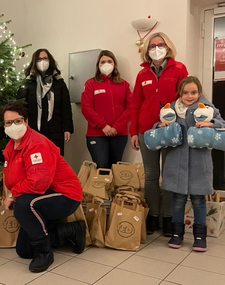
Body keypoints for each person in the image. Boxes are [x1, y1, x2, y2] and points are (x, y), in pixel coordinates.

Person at [1, 102, 85, 273]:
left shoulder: (36, 143)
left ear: (25, 120)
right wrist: (15, 193)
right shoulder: (11, 146)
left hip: (65, 195)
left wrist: (13, 195)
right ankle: (71, 230)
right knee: (24, 251)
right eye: (8, 123)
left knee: (24, 204)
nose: (12, 126)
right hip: (42, 195)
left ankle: (44, 253)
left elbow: (38, 182)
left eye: (17, 121)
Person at [155, 76, 225, 251]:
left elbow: (221, 123)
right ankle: (176, 233)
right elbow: (159, 124)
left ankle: (200, 236)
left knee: (199, 200)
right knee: (178, 200)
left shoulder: (208, 109)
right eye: (185, 92)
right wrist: (160, 125)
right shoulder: (171, 109)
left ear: (199, 92)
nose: (189, 96)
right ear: (180, 93)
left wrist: (211, 123)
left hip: (198, 162)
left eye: (193, 92)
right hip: (177, 160)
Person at [129, 32, 188, 236]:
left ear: (167, 46)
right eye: (152, 45)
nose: (156, 48)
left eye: (160, 44)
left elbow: (184, 100)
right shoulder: (142, 74)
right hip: (147, 131)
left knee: (170, 175)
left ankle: (169, 217)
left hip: (171, 130)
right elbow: (135, 104)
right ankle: (153, 215)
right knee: (152, 175)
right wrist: (134, 132)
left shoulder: (179, 68)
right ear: (147, 50)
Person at [17, 48, 73, 156]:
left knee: (55, 161)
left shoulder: (59, 82)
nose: (42, 61)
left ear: (50, 60)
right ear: (34, 62)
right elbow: (21, 108)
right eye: (39, 59)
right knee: (36, 161)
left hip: (55, 129)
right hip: (33, 130)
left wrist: (67, 128)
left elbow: (66, 108)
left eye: (45, 58)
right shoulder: (27, 83)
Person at [81, 50, 132, 169]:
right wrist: (103, 126)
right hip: (97, 134)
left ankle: (114, 189)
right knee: (102, 167)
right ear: (98, 65)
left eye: (109, 61)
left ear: (114, 64)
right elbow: (86, 108)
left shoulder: (124, 84)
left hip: (118, 133)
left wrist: (117, 127)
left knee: (116, 168)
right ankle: (101, 188)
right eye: (102, 62)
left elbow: (130, 108)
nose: (106, 64)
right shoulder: (90, 84)